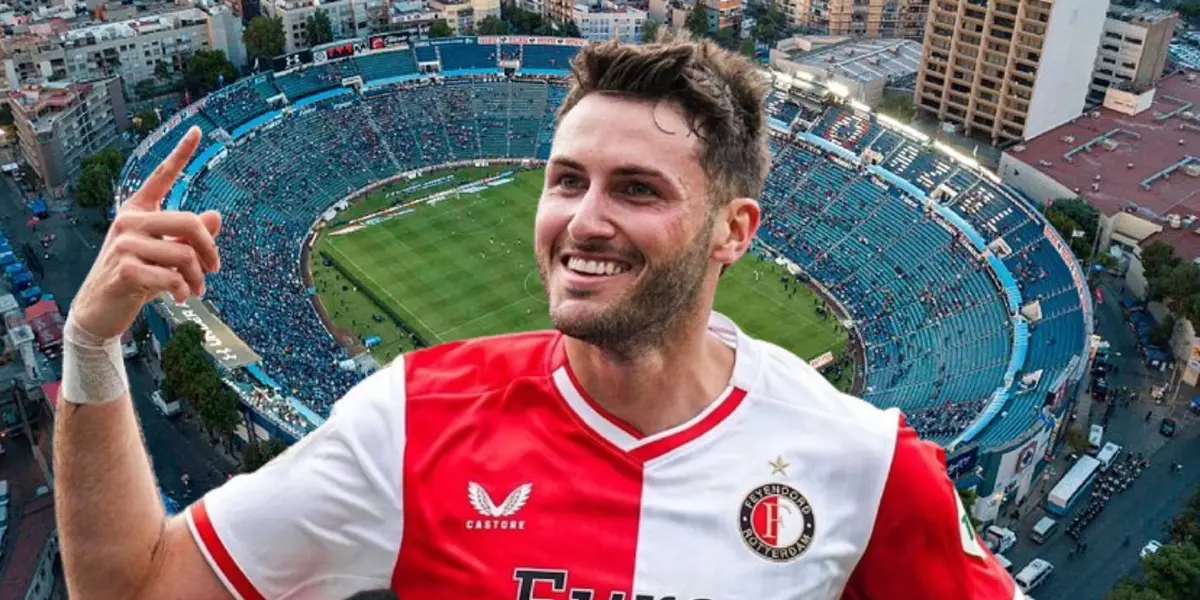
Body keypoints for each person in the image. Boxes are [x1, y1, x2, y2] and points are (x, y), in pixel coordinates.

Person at [53, 37, 1021, 600]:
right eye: (566, 180)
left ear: (734, 230)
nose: (584, 220)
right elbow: (138, 587)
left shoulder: (864, 464)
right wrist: (92, 346)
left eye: (637, 188)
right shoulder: (413, 419)